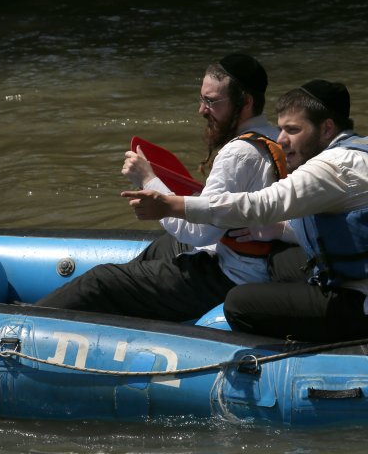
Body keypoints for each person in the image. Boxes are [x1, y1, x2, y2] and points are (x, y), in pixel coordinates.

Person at [36, 53, 288, 322]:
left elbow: (199, 234)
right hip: (245, 260)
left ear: (246, 102)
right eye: (202, 99)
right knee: (164, 246)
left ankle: (23, 321)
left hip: (230, 276)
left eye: (211, 102)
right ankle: (115, 307)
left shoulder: (238, 153)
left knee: (99, 280)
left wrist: (148, 179)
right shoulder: (273, 137)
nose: (201, 110)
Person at [123, 80, 368, 342]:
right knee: (280, 259)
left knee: (239, 303)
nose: (281, 139)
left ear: (327, 128)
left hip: (359, 302)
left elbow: (259, 205)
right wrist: (279, 230)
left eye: (293, 130)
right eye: (281, 129)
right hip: (353, 276)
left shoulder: (333, 168)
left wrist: (170, 204)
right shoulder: (356, 150)